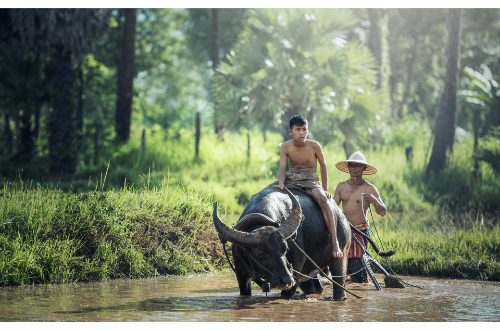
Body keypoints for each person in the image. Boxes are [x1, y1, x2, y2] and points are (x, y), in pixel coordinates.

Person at [248, 115, 343, 258]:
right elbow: (282, 169)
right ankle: (240, 238)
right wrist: (280, 183)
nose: (302, 133)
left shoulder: (314, 145)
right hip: (291, 178)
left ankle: (334, 242)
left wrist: (325, 188)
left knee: (323, 200)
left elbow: (323, 166)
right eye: (298, 130)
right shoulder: (285, 146)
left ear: (308, 131)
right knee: (254, 196)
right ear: (290, 132)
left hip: (310, 180)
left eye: (304, 129)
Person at [333, 151, 387, 283]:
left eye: (357, 166)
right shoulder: (341, 186)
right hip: (344, 231)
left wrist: (374, 201)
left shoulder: (369, 188)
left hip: (360, 231)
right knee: (342, 267)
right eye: (351, 165)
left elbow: (383, 212)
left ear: (363, 168)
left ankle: (361, 287)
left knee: (357, 267)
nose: (353, 168)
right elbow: (333, 209)